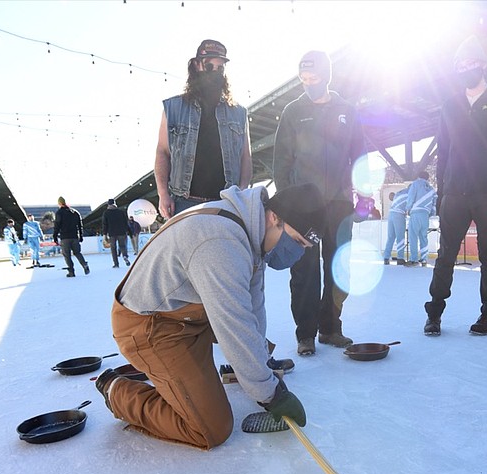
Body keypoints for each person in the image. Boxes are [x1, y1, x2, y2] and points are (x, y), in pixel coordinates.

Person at [94, 184, 324, 449]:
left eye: (304, 247)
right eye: (296, 241)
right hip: (151, 326)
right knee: (211, 427)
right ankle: (117, 392)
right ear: (275, 218)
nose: (296, 253)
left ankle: (237, 369)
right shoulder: (221, 242)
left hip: (190, 313)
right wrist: (271, 395)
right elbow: (234, 325)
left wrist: (260, 370)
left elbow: (251, 308)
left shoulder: (252, 230)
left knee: (252, 345)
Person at [423, 35, 487, 337]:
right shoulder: (450, 105)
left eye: (471, 63)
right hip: (455, 191)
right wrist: (441, 191)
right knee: (445, 254)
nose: (466, 69)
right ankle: (435, 312)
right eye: (461, 65)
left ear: (482, 65)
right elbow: (443, 151)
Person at [273, 50, 366, 356]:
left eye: (313, 78)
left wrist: (364, 194)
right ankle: (306, 334)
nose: (308, 83)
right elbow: (281, 163)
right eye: (303, 79)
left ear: (326, 76)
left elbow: (360, 157)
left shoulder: (347, 111)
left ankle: (331, 328)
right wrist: (287, 206)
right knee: (305, 271)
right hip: (305, 207)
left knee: (340, 268)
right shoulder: (292, 111)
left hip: (339, 203)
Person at [154, 39, 252, 220]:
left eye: (220, 68)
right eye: (209, 66)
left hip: (226, 203)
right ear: (197, 65)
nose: (215, 72)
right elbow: (162, 152)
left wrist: (243, 192)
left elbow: (246, 157)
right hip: (184, 202)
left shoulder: (238, 112)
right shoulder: (173, 108)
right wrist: (163, 194)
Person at [404, 171, 437, 267]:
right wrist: (430, 213)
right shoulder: (431, 189)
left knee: (413, 236)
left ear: (419, 176)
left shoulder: (415, 184)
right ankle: (424, 259)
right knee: (424, 237)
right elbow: (434, 203)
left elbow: (411, 197)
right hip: (425, 215)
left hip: (416, 213)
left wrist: (408, 209)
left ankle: (414, 259)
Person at [53, 196, 89, 277]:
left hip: (65, 238)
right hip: (74, 236)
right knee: (77, 253)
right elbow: (80, 225)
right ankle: (84, 264)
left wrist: (55, 237)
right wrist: (81, 235)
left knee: (67, 255)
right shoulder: (75, 212)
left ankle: (71, 271)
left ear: (59, 203)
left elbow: (57, 226)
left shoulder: (59, 213)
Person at [102, 199, 131, 268]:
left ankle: (116, 263)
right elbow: (125, 222)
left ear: (108, 204)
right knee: (122, 246)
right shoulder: (121, 212)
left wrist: (105, 234)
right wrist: (129, 231)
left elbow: (105, 224)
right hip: (122, 232)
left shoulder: (106, 213)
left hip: (112, 233)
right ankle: (125, 256)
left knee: (113, 248)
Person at [383, 188, 408, 265]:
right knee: (400, 237)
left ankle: (386, 257)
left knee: (390, 237)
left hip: (391, 214)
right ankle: (400, 258)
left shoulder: (400, 192)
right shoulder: (410, 194)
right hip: (399, 214)